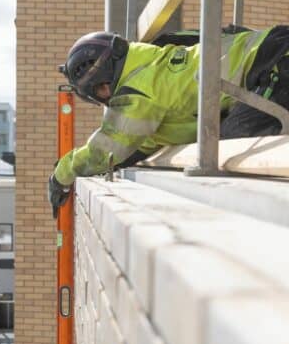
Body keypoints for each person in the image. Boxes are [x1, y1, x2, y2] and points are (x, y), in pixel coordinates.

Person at [48, 26, 289, 215]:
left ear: (103, 81)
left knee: (230, 150)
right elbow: (139, 145)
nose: (106, 98)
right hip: (272, 55)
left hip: (275, 64)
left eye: (101, 91)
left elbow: (107, 148)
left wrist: (62, 174)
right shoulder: (152, 65)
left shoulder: (137, 88)